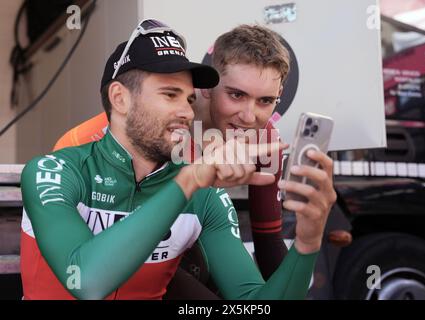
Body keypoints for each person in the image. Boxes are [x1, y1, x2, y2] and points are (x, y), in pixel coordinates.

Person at [20, 19, 336, 300]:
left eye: (266, 101)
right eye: (236, 94)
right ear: (209, 90)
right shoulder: (71, 158)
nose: (249, 115)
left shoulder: (258, 146)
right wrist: (190, 180)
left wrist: (308, 241)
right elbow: (87, 280)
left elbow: (264, 258)